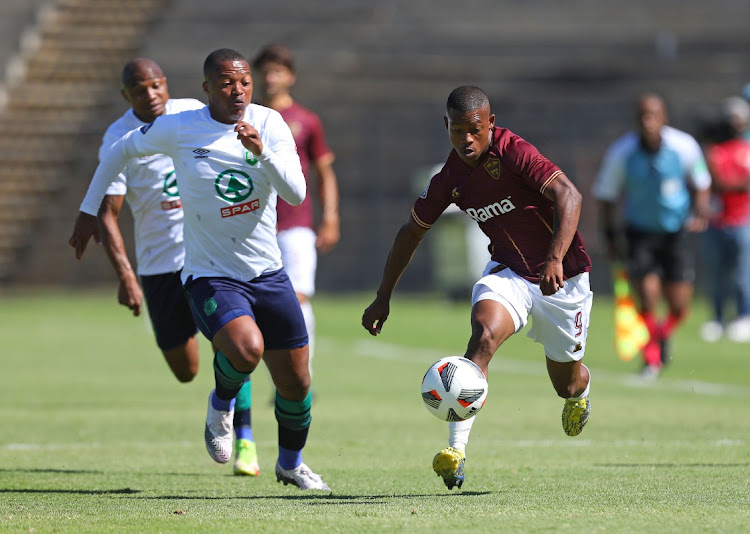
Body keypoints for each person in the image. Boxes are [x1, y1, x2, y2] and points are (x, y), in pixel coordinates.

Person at [69, 48, 329, 490]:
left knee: (297, 383)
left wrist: (261, 152)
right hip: (210, 273)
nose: (238, 91)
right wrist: (89, 208)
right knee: (246, 349)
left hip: (267, 271)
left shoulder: (268, 123)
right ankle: (220, 403)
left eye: (244, 82)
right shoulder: (180, 126)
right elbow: (119, 151)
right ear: (207, 88)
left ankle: (290, 464)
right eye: (227, 83)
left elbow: (298, 194)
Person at [362, 86, 593, 490]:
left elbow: (568, 195)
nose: (466, 140)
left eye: (474, 130)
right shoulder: (449, 179)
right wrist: (384, 296)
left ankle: (580, 393)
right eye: (457, 131)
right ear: (445, 126)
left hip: (563, 279)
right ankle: (456, 451)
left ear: (490, 122)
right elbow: (410, 234)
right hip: (510, 274)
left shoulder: (512, 151)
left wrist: (555, 258)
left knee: (566, 382)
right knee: (482, 337)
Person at [91, 58, 259, 477]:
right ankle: (222, 405)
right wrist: (126, 276)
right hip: (158, 266)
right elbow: (107, 213)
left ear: (166, 84)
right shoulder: (118, 138)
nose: (151, 95)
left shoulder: (192, 114)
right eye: (139, 89)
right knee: (186, 370)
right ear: (126, 95)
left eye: (156, 85)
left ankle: (245, 440)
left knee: (235, 345)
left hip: (206, 257)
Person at [593, 93, 711, 379]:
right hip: (640, 233)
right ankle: (652, 359)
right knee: (646, 298)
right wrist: (610, 238)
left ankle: (658, 336)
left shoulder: (684, 147)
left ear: (664, 118)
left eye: (653, 116)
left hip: (676, 232)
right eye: (643, 116)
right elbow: (606, 195)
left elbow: (702, 182)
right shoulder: (622, 152)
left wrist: (701, 211)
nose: (648, 122)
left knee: (680, 307)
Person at [251, 44, 340, 378]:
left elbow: (324, 172)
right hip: (253, 226)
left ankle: (303, 376)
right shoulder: (249, 118)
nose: (271, 77)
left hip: (296, 225)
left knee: (297, 299)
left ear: (291, 76)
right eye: (266, 70)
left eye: (278, 70)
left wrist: (330, 216)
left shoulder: (306, 120)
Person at [699, 96, 750, 342]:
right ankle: (717, 318)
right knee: (718, 272)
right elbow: (716, 180)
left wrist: (731, 184)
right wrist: (736, 184)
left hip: (743, 219)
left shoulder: (747, 149)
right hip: (719, 220)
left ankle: (743, 316)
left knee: (742, 272)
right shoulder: (716, 151)